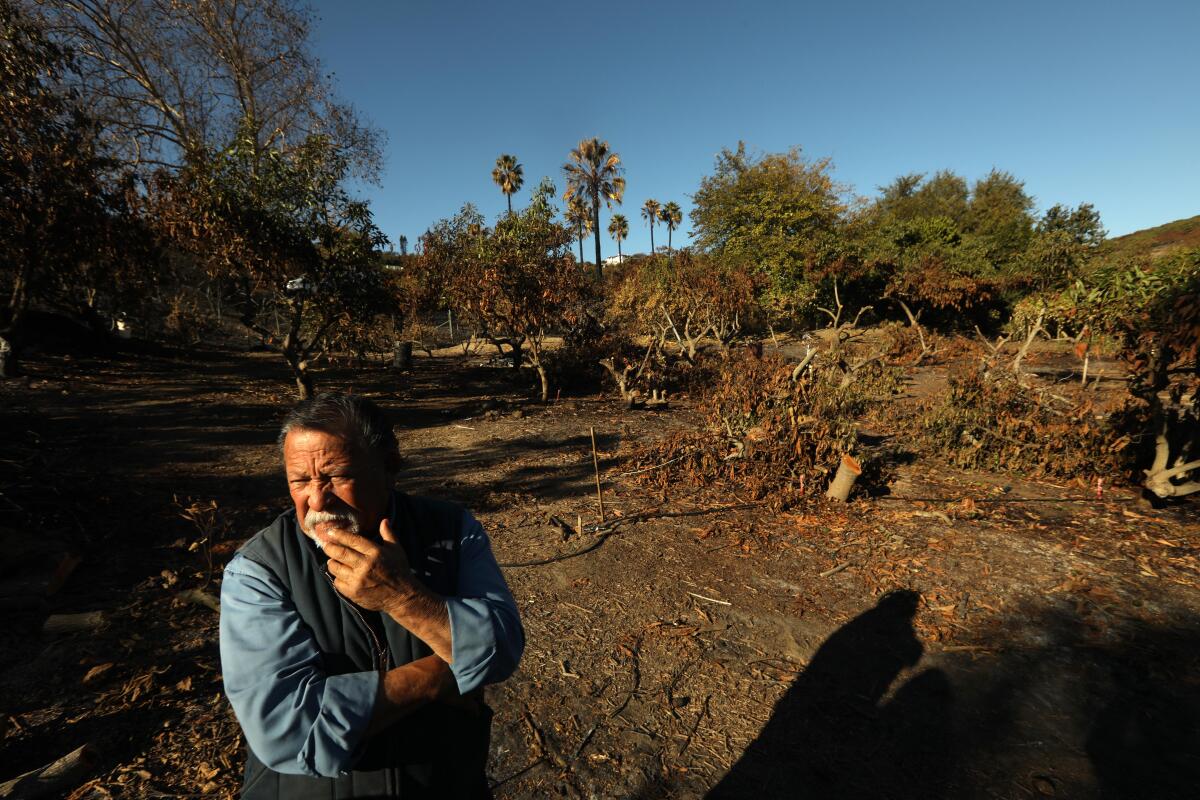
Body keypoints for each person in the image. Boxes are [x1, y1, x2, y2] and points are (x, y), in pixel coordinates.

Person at [219, 393, 524, 798]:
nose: (316, 500)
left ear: (390, 467)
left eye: (337, 476)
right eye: (299, 481)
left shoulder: (452, 530)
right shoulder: (259, 569)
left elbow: (502, 651)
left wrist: (404, 598)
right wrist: (436, 678)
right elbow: (288, 732)